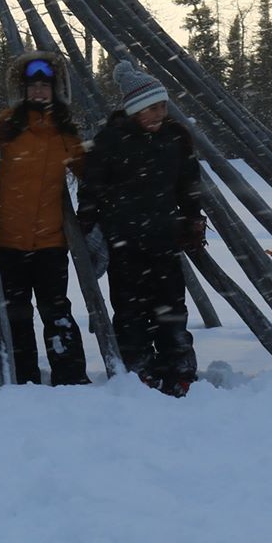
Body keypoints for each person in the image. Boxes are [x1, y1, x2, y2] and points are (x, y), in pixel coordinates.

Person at [0, 49, 89, 385]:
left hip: (50, 241)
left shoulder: (66, 131)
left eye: (44, 85)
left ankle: (70, 376)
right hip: (7, 238)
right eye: (32, 86)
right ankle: (23, 376)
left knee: (57, 313)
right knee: (16, 314)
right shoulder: (9, 124)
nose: (38, 92)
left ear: (56, 89)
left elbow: (90, 171)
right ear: (23, 90)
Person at [79, 62, 206, 396]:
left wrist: (193, 217)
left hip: (163, 238)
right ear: (134, 109)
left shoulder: (174, 139)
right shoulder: (112, 140)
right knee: (130, 310)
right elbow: (91, 187)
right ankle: (139, 368)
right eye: (153, 107)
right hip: (124, 242)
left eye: (163, 105)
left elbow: (189, 183)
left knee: (171, 308)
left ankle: (178, 368)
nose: (160, 113)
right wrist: (88, 222)